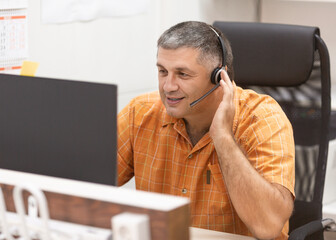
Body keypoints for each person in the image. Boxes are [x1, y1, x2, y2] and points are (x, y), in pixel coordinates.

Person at [117, 21, 295, 240]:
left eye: (182, 74)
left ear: (220, 78)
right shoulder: (141, 113)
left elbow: (268, 227)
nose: (168, 86)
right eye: (163, 71)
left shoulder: (262, 119)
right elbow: (81, 184)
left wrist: (223, 138)